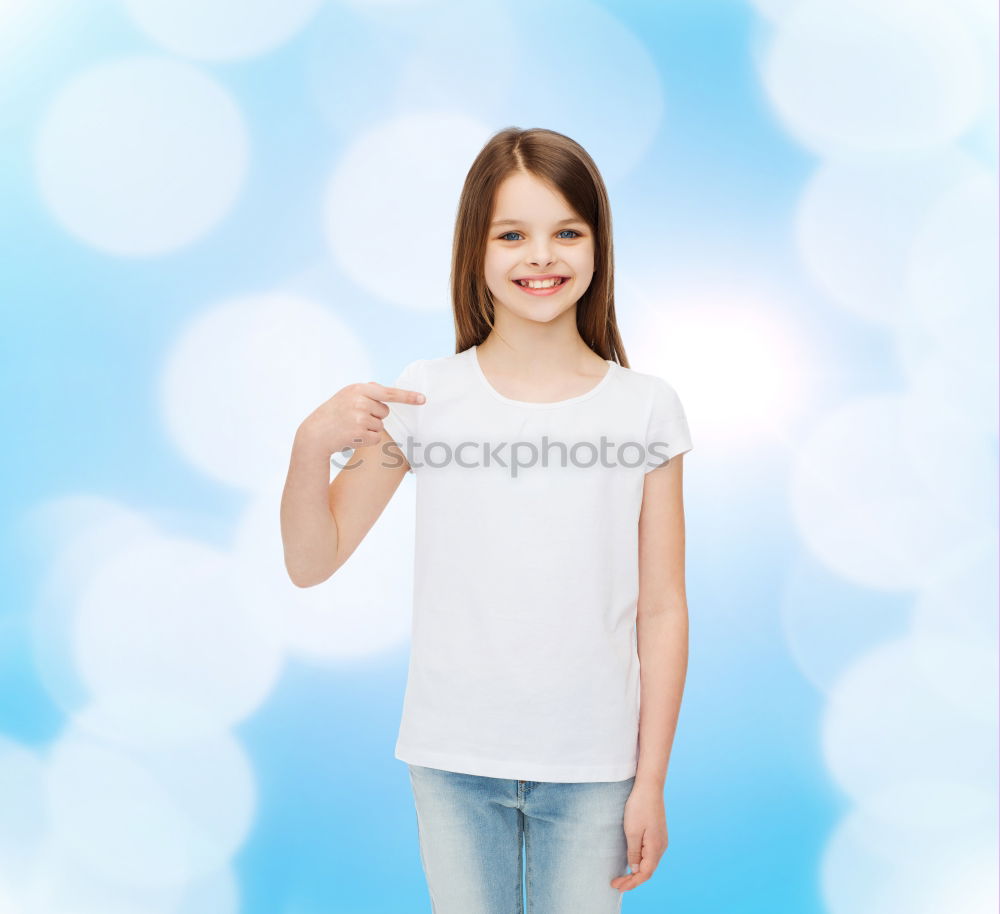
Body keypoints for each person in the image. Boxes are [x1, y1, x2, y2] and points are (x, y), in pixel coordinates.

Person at [280, 126, 693, 913]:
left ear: (598, 245)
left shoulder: (646, 408)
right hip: (452, 756)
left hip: (594, 764)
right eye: (513, 234)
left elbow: (663, 607)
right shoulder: (427, 396)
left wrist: (651, 781)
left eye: (566, 231)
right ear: (476, 248)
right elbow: (314, 557)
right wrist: (310, 447)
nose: (542, 256)